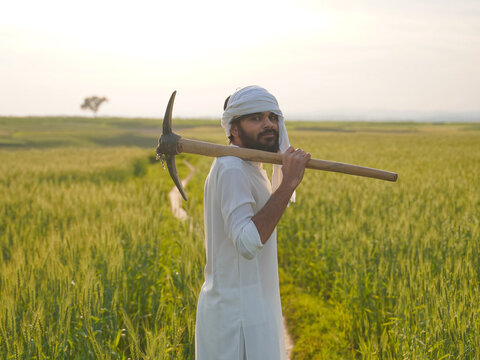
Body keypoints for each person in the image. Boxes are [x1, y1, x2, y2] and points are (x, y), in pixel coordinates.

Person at [195, 85, 310, 360]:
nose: (268, 124)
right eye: (256, 118)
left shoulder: (248, 166)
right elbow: (247, 242)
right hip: (237, 322)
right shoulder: (232, 167)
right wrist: (289, 183)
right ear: (234, 129)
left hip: (249, 311)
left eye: (272, 117)